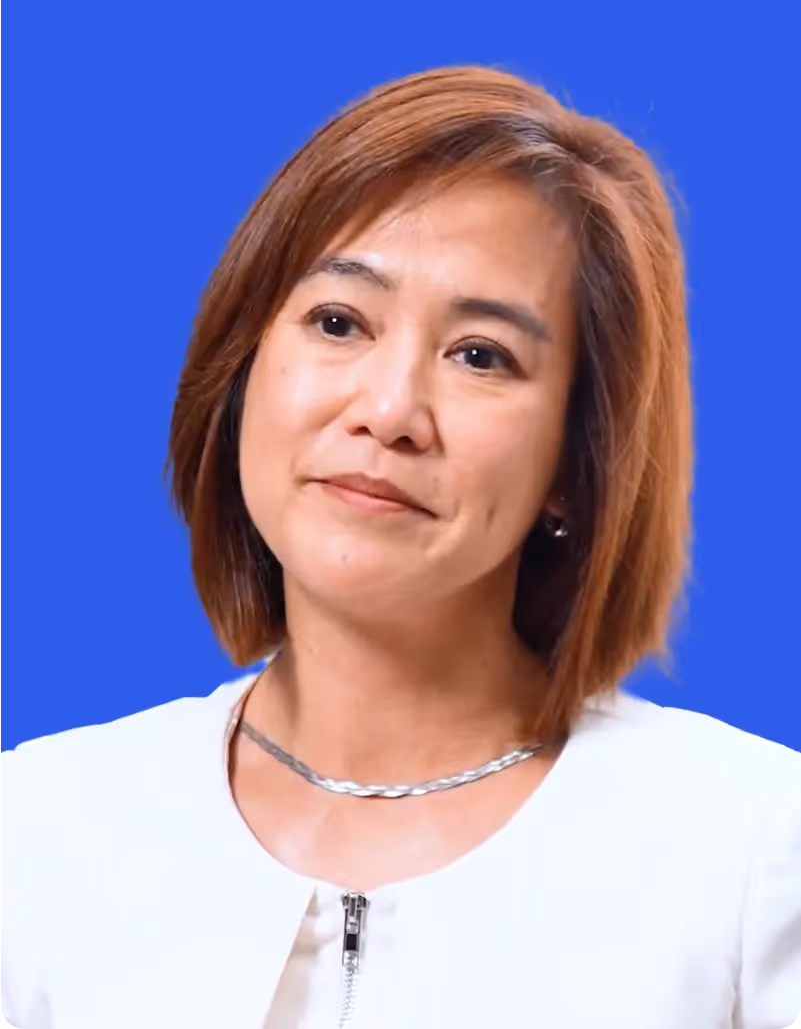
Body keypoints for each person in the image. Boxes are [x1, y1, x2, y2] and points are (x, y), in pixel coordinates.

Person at [1, 64, 799, 1029]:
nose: (387, 412)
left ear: (571, 461)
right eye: (338, 322)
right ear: (244, 370)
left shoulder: (754, 848)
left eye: (480, 355)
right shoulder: (39, 829)